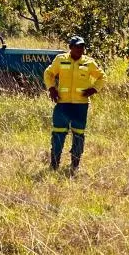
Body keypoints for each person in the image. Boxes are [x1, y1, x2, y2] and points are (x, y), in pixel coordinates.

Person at [42, 36, 105, 174]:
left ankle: (75, 165)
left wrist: (94, 89)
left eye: (82, 46)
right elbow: (49, 73)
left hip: (80, 106)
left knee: (78, 135)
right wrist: (52, 88)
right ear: (70, 48)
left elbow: (102, 77)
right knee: (58, 134)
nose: (80, 49)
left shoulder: (89, 62)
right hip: (62, 105)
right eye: (76, 46)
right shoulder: (60, 59)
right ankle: (54, 165)